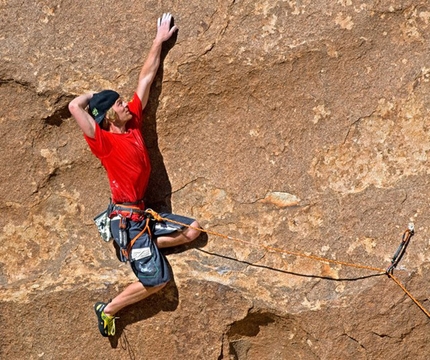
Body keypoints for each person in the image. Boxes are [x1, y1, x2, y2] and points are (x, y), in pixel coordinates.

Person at [68, 13, 201, 337]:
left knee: (192, 231)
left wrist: (159, 40)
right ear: (106, 117)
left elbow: (146, 77)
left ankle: (138, 249)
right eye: (117, 104)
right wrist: (94, 98)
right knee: (158, 281)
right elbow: (75, 107)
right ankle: (109, 309)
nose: (125, 104)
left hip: (142, 215)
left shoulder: (134, 125)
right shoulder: (105, 142)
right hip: (127, 220)